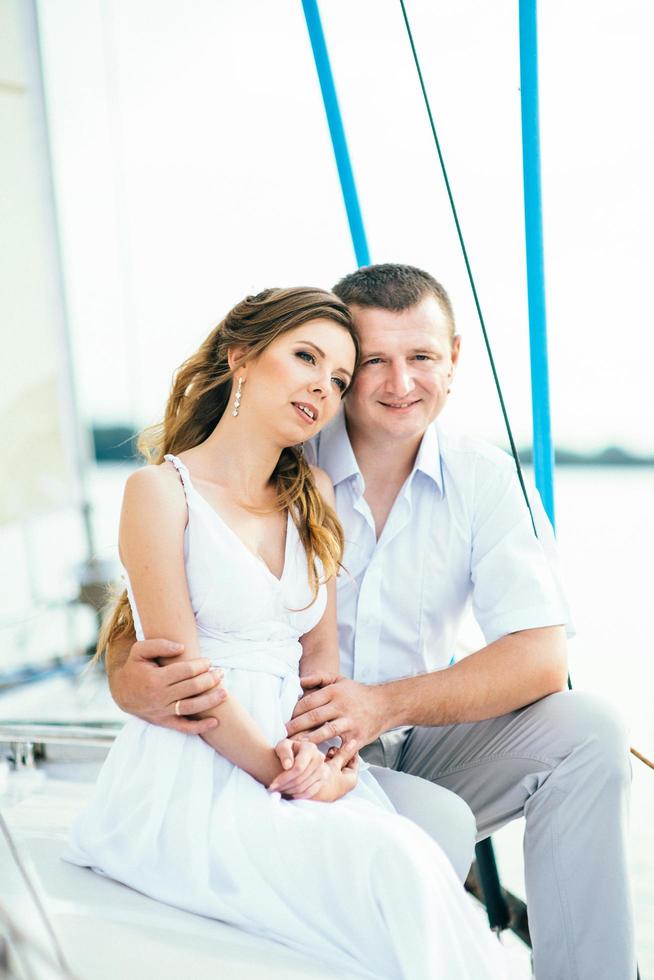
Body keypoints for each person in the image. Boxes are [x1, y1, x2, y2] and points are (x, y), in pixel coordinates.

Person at [106, 266, 635, 980]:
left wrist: (379, 706)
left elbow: (540, 660)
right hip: (286, 742)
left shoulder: (485, 478)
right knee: (426, 832)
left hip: (419, 739)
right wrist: (130, 683)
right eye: (373, 362)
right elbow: (149, 630)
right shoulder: (285, 454)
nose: (399, 383)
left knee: (592, 729)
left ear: (455, 360)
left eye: (421, 357)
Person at [66, 286, 507, 980]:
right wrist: (284, 773)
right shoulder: (158, 493)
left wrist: (329, 764)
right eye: (305, 357)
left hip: (300, 763)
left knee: (412, 859)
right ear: (240, 356)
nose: (322, 389)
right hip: (198, 772)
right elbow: (187, 682)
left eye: (337, 379)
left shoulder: (316, 497)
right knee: (387, 867)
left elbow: (320, 667)